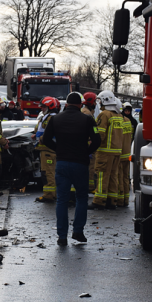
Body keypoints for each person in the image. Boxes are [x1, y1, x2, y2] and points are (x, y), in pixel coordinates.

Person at [43, 92, 101, 245]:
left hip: (62, 163)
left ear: (66, 104)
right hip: (80, 164)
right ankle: (78, 231)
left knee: (62, 200)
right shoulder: (87, 119)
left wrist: (58, 150)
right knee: (81, 198)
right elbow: (97, 140)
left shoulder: (55, 119)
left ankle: (62, 236)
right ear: (80, 105)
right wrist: (86, 152)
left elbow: (46, 139)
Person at [92, 90, 124, 210]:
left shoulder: (104, 115)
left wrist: (92, 145)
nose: (99, 104)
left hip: (105, 152)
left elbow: (100, 134)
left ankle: (99, 201)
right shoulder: (119, 116)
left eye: (99, 101)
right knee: (112, 176)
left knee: (101, 176)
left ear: (104, 101)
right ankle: (112, 200)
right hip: (116, 152)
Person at [35, 97, 60, 203]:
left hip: (48, 150)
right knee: (49, 172)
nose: (42, 108)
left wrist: (41, 138)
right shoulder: (47, 117)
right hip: (46, 149)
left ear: (50, 106)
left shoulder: (51, 118)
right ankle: (52, 194)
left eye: (44, 106)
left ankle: (49, 195)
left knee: (47, 173)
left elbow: (51, 133)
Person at [118, 100, 134, 207]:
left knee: (119, 177)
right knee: (125, 178)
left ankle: (120, 200)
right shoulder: (129, 121)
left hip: (119, 153)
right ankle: (125, 200)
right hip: (127, 153)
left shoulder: (120, 121)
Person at [82, 92, 98, 192]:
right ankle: (90, 186)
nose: (96, 104)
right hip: (88, 143)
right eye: (95, 101)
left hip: (87, 142)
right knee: (91, 166)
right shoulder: (87, 113)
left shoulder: (86, 112)